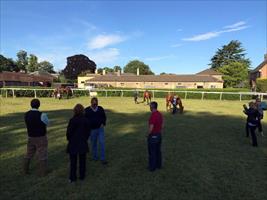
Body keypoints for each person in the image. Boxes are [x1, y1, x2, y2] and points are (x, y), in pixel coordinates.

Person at [23, 98, 49, 176]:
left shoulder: (26, 114)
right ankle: (42, 172)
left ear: (31, 105)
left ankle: (25, 170)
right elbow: (48, 123)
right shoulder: (42, 115)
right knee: (42, 155)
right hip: (41, 137)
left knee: (28, 154)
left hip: (30, 137)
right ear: (39, 105)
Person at [66, 104, 90, 182]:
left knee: (73, 162)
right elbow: (88, 132)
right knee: (82, 161)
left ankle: (73, 178)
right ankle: (82, 176)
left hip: (73, 143)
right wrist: (85, 139)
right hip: (82, 142)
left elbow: (68, 133)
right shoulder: (85, 120)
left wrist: (70, 139)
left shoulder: (72, 120)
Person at [85, 97, 108, 165]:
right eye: (93, 104)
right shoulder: (87, 110)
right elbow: (84, 120)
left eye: (96, 104)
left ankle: (103, 158)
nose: (95, 105)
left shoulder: (100, 108)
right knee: (94, 144)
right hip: (92, 130)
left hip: (100, 129)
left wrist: (103, 123)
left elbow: (104, 117)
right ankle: (95, 157)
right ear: (91, 103)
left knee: (102, 143)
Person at [147, 101, 163, 171]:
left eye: (150, 106)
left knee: (152, 152)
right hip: (159, 135)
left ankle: (152, 167)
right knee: (158, 151)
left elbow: (151, 128)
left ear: (152, 107)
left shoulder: (153, 116)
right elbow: (162, 125)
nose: (149, 107)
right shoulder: (160, 114)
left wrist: (148, 135)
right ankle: (158, 165)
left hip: (153, 136)